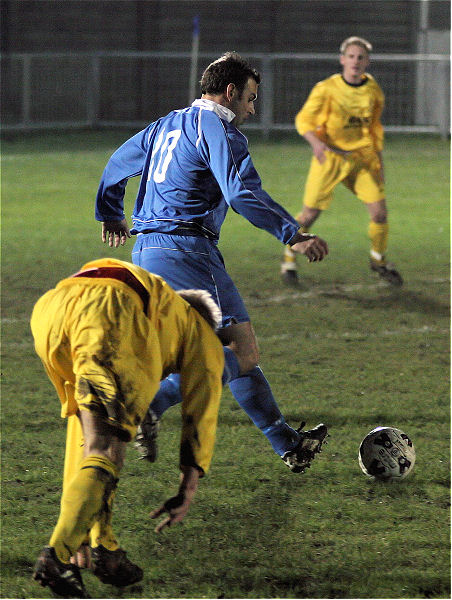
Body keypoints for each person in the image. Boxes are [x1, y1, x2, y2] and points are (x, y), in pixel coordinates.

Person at [95, 51, 329, 477]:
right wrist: (293, 233)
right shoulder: (219, 131)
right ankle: (149, 404)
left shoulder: (164, 125)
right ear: (230, 92)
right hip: (187, 251)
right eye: (250, 98)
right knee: (241, 350)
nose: (252, 109)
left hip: (146, 251)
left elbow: (116, 164)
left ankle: (289, 444)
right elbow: (241, 192)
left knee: (232, 351)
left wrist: (110, 210)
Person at [30, 257, 225, 598]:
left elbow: (81, 447)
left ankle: (101, 547)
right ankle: (57, 556)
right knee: (107, 449)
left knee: (93, 446)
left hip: (53, 310)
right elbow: (202, 405)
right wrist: (188, 485)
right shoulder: (200, 330)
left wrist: (91, 535)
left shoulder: (163, 307)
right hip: (109, 313)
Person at [281, 36, 403, 287]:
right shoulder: (327, 88)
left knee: (379, 213)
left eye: (361, 57)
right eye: (351, 56)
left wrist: (379, 161)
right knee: (309, 215)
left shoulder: (373, 90)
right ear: (342, 59)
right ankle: (289, 258)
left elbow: (375, 128)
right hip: (330, 158)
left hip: (361, 159)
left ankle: (378, 261)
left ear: (367, 61)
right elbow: (303, 120)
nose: (355, 61)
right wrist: (317, 144)